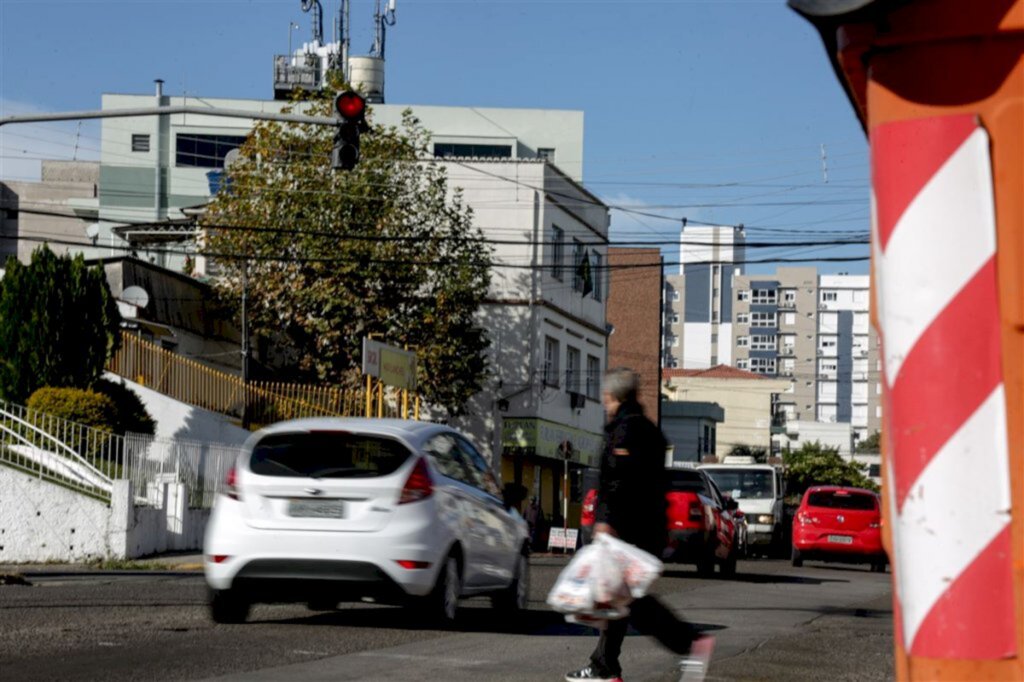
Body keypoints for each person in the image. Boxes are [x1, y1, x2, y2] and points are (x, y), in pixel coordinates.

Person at [565, 367, 714, 682]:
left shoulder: (626, 431)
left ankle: (690, 643)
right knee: (617, 599)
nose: (603, 400)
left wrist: (607, 522)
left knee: (631, 602)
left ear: (612, 395)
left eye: (605, 395)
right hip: (647, 527)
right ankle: (605, 666)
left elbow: (619, 482)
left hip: (630, 530)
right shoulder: (646, 428)